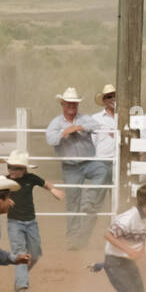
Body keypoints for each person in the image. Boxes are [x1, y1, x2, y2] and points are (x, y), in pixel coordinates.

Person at [45, 87, 103, 250]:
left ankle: (89, 198)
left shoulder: (84, 118)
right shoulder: (56, 122)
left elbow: (95, 125)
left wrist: (78, 128)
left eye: (74, 103)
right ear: (63, 104)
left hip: (88, 162)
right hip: (70, 166)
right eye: (69, 103)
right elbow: (50, 138)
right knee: (72, 201)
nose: (72, 106)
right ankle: (73, 237)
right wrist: (64, 133)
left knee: (103, 170)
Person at [4, 148, 65, 292]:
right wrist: (4, 200)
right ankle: (22, 287)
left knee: (35, 253)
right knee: (20, 252)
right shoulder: (5, 181)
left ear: (24, 169)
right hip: (14, 223)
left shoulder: (31, 178)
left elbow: (45, 183)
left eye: (16, 168)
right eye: (10, 167)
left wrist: (53, 190)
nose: (12, 170)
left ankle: (21, 276)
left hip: (31, 222)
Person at [91, 83, 118, 187]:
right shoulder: (96, 118)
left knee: (117, 191)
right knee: (98, 192)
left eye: (115, 96)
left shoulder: (124, 117)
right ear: (104, 100)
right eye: (109, 97)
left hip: (119, 160)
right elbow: (92, 141)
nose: (113, 99)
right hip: (101, 160)